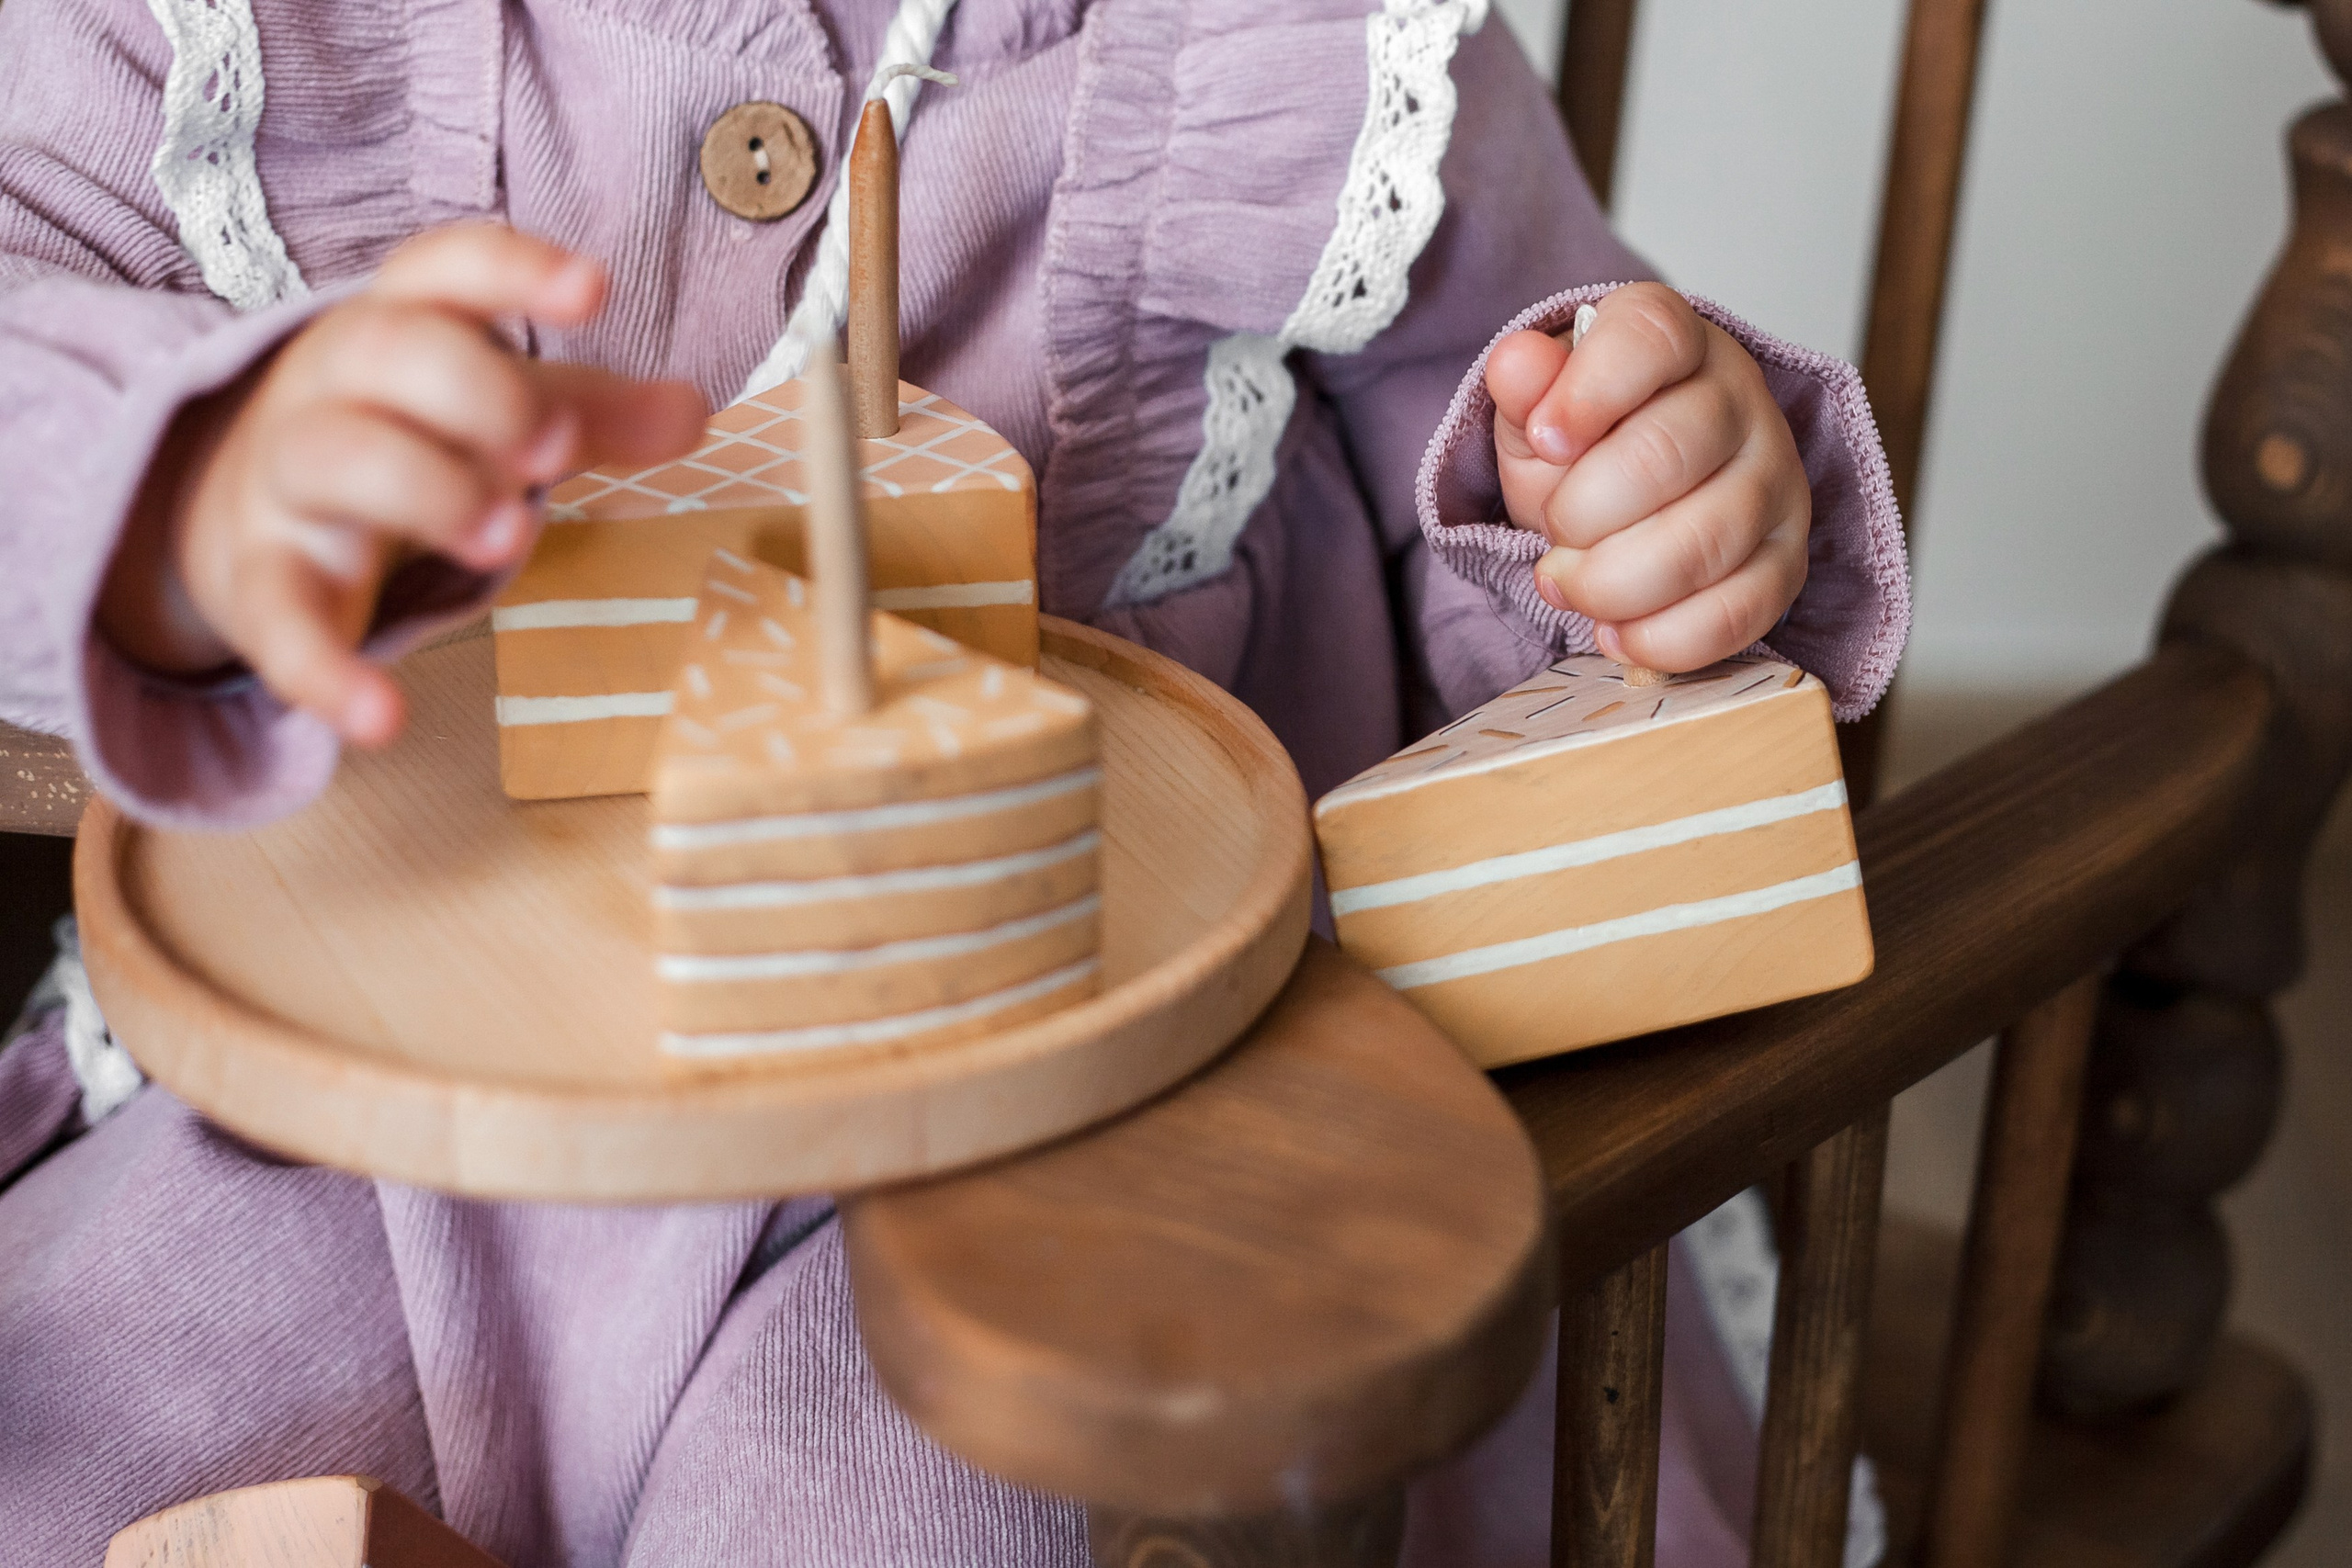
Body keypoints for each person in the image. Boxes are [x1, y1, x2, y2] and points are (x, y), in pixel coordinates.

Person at [0, 0, 1908, 1562]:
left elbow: (1519, 462)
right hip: (364, 1097)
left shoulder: (1287, 44)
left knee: (911, 1500)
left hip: (1074, 1104)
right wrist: (177, 492)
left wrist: (1613, 480)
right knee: (86, 1462)